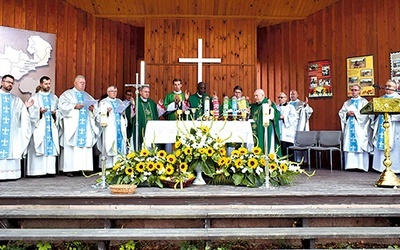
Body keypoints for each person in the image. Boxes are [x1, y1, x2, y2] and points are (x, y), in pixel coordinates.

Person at [58, 75, 101, 176]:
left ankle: (85, 168)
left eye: (84, 83)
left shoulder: (87, 96)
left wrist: (92, 109)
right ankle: (70, 169)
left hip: (85, 126)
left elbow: (96, 109)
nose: (83, 84)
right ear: (75, 83)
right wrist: (74, 106)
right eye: (81, 82)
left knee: (85, 146)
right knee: (72, 147)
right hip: (73, 126)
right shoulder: (67, 94)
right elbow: (62, 106)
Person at [0, 74, 33, 180]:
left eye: (12, 83)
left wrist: (25, 108)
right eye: (8, 82)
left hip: (11, 132)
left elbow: (22, 115)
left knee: (12, 149)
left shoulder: (16, 100)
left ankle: (11, 174)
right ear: (2, 82)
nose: (10, 84)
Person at [26, 76, 59, 176]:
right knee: (39, 145)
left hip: (51, 127)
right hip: (39, 127)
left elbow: (60, 111)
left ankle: (50, 171)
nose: (48, 86)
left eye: (49, 84)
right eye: (46, 84)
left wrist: (55, 113)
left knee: (50, 145)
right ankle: (37, 171)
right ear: (41, 84)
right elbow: (30, 112)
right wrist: (38, 112)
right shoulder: (34, 98)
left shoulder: (54, 97)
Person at [338, 85, 372, 171]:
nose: (353, 92)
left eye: (355, 90)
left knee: (360, 143)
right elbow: (341, 113)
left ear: (359, 91)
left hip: (360, 127)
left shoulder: (364, 102)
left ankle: (361, 166)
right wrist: (347, 114)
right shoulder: (347, 103)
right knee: (349, 142)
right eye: (352, 90)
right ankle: (350, 165)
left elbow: (367, 114)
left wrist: (356, 114)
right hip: (350, 126)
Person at [371, 79, 400, 173]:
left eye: (390, 86)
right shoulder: (381, 99)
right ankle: (380, 167)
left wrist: (391, 117)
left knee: (394, 147)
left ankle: (395, 168)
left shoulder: (398, 99)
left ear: (395, 88)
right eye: (386, 85)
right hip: (381, 126)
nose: (387, 87)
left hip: (394, 127)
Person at [96, 86, 128, 168]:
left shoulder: (119, 101)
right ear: (108, 92)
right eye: (112, 91)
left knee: (119, 146)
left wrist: (123, 114)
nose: (114, 93)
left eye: (116, 91)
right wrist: (106, 112)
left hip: (119, 128)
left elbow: (124, 115)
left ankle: (119, 165)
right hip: (109, 129)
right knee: (109, 145)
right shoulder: (104, 102)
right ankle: (108, 166)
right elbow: (99, 116)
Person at [250, 89, 281, 155]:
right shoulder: (254, 106)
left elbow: (277, 114)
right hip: (255, 131)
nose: (255, 97)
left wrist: (270, 109)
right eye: (254, 96)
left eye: (257, 96)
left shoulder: (268, 103)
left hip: (265, 129)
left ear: (263, 95)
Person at [131, 85, 158, 150]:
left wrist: (160, 106)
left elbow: (156, 114)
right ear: (140, 92)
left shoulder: (151, 102)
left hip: (151, 128)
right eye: (145, 92)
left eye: (148, 92)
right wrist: (133, 106)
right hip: (141, 127)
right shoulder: (136, 101)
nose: (147, 93)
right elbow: (131, 115)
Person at [276, 92, 298, 157]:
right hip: (279, 129)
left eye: (281, 97)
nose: (280, 99)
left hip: (287, 130)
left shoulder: (290, 107)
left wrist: (284, 118)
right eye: (279, 97)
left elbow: (294, 117)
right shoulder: (276, 107)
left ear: (286, 98)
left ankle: (290, 164)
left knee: (288, 149)